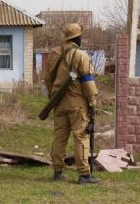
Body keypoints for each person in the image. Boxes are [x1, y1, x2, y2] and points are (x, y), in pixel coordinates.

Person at [41, 23, 100, 184]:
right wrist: (92, 102)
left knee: (60, 137)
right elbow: (87, 80)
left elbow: (47, 79)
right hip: (77, 104)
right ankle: (84, 175)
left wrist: (53, 95)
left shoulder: (54, 53)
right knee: (81, 136)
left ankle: (58, 171)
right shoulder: (80, 55)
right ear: (77, 38)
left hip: (58, 103)